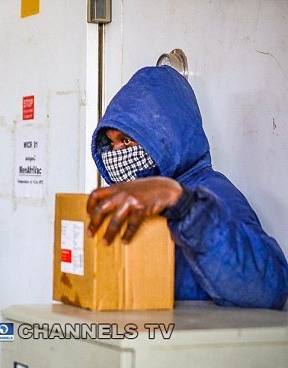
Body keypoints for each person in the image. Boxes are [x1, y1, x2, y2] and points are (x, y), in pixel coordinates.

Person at [87, 66, 288, 310]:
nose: (116, 153)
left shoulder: (212, 193)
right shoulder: (135, 202)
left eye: (127, 140)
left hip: (197, 345)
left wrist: (183, 205)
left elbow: (267, 291)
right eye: (111, 142)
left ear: (166, 134)